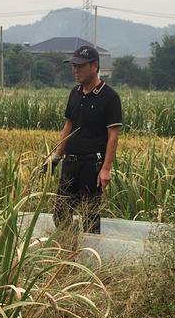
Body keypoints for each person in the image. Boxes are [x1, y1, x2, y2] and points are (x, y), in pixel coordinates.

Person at [49, 44, 122, 233]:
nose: (75, 70)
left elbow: (113, 135)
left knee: (90, 216)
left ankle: (89, 257)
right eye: (73, 66)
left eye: (80, 66)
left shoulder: (109, 97)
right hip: (70, 163)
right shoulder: (75, 93)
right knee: (60, 211)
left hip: (92, 165)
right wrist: (56, 157)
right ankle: (67, 250)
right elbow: (68, 126)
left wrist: (106, 169)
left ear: (94, 66)